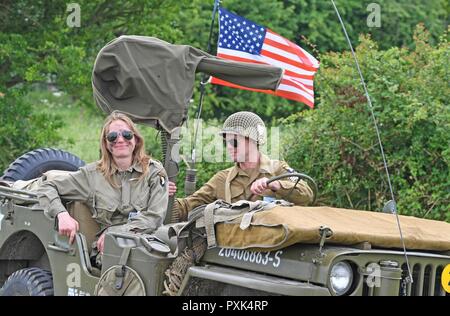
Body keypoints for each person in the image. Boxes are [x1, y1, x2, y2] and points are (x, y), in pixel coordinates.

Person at [37, 111, 168, 256]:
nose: (120, 140)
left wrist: (116, 232)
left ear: (136, 139)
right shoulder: (92, 175)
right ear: (106, 143)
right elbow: (47, 187)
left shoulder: (154, 171)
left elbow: (155, 217)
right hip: (109, 251)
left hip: (146, 242)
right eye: (112, 136)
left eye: (126, 134)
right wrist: (61, 215)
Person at [169, 111, 313, 222]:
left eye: (235, 142)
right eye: (227, 142)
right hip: (236, 250)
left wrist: (276, 185)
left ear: (253, 140)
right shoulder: (223, 179)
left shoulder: (277, 169)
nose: (230, 147)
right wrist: (161, 195)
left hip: (274, 249)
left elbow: (307, 195)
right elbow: (186, 207)